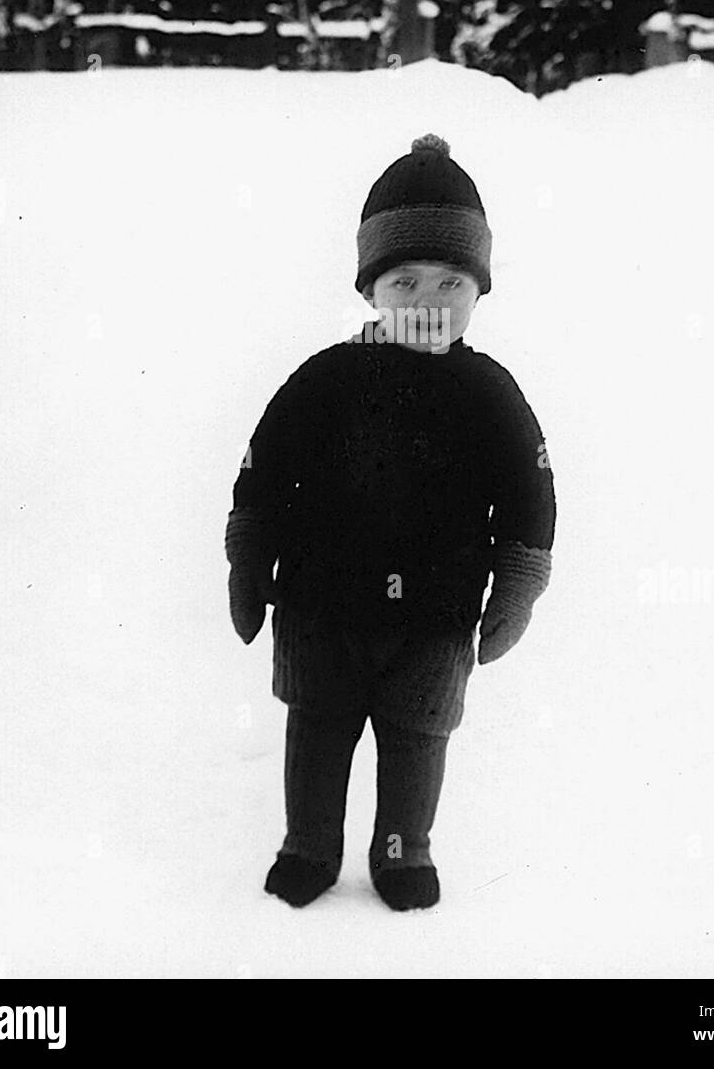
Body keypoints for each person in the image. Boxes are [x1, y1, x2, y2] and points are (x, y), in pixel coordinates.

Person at [225, 133, 556, 911]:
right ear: (370, 289)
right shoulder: (322, 380)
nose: (427, 301)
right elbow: (261, 474)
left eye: (450, 281)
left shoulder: (490, 394)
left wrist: (519, 581)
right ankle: (308, 844)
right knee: (318, 729)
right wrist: (248, 559)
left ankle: (402, 851)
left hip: (435, 616)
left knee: (416, 740)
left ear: (480, 290)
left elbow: (528, 498)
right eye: (403, 280)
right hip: (319, 607)